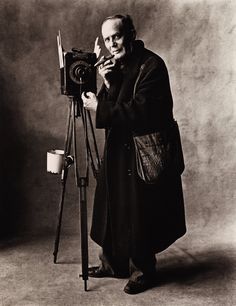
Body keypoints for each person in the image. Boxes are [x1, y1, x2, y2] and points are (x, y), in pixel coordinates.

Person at [81, 14, 186, 294]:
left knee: (139, 211)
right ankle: (112, 264)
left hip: (142, 151)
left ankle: (143, 270)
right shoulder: (118, 65)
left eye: (116, 36)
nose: (112, 44)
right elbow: (115, 104)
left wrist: (99, 107)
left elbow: (143, 111)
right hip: (119, 149)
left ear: (130, 33)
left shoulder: (152, 65)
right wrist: (108, 82)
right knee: (111, 205)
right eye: (107, 40)